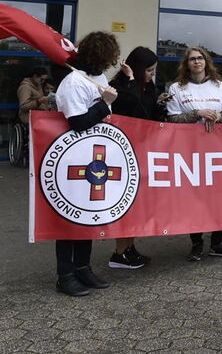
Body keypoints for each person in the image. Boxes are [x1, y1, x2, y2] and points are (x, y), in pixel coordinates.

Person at [53, 31, 120, 296]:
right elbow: (78, 123)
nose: (109, 63)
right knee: (70, 218)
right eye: (108, 57)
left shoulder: (97, 78)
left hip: (94, 156)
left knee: (89, 215)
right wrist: (104, 104)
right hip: (74, 157)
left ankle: (83, 268)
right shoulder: (72, 82)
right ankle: (65, 275)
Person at [166, 46, 222, 261]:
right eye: (192, 59)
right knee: (194, 198)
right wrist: (196, 114)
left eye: (200, 58)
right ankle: (196, 243)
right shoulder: (177, 88)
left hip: (217, 151)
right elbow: (172, 119)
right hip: (190, 151)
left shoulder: (220, 86)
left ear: (206, 61)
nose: (197, 62)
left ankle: (217, 242)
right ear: (186, 64)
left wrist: (217, 116)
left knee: (219, 197)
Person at [109, 46, 168, 269]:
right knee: (127, 203)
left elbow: (148, 114)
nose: (152, 74)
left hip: (143, 150)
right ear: (137, 68)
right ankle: (119, 252)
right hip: (123, 153)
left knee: (137, 204)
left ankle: (128, 248)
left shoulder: (148, 86)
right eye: (149, 70)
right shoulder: (118, 86)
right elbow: (130, 105)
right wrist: (132, 80)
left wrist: (160, 105)